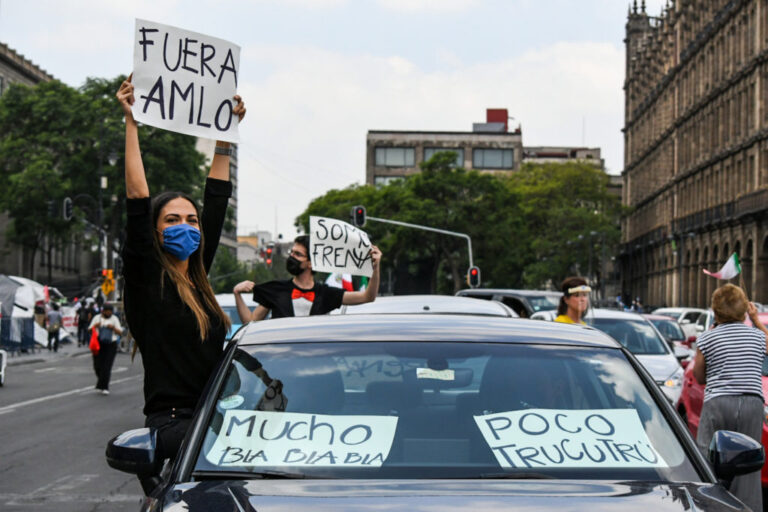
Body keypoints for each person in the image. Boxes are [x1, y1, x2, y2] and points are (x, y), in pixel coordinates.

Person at [116, 75, 244, 494]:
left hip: (220, 415)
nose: (186, 226)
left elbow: (217, 199)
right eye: (172, 220)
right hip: (176, 424)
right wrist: (132, 123)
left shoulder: (200, 277)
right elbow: (137, 198)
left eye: (191, 220)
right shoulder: (146, 281)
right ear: (153, 232)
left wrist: (226, 134)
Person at [693, 284, 768, 512]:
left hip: (719, 401)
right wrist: (756, 320)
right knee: (748, 462)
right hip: (752, 403)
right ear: (744, 309)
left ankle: (710, 504)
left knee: (708, 457)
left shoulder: (707, 338)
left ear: (715, 311)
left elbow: (698, 375)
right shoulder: (756, 336)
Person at [232, 235, 382, 322]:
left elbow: (367, 296)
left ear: (310, 263)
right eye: (292, 253)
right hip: (280, 363)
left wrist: (375, 268)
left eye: (298, 254)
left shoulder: (326, 293)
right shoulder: (276, 289)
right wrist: (237, 294)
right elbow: (250, 322)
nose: (292, 257)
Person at [88, 303, 123, 394]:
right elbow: (89, 330)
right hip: (99, 344)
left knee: (107, 366)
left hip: (111, 344)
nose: (109, 313)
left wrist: (113, 328)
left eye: (110, 311)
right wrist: (95, 326)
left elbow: (120, 332)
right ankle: (101, 383)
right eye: (107, 311)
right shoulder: (97, 318)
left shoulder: (114, 319)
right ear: (103, 311)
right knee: (97, 366)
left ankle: (105, 387)